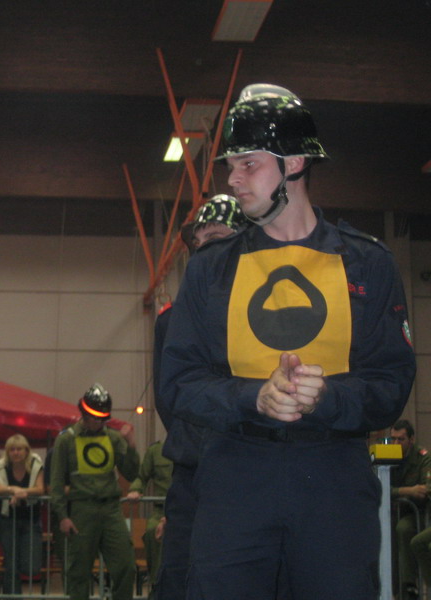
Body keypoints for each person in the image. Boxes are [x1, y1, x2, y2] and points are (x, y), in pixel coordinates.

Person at [158, 83, 416, 599]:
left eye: (248, 164)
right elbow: (179, 382)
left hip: (334, 482)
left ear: (294, 163)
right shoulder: (210, 270)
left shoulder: (367, 264)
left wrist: (329, 398)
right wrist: (253, 397)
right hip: (233, 480)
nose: (232, 179)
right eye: (231, 166)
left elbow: (391, 382)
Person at [153, 194, 246, 600]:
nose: (204, 247)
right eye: (199, 239)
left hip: (252, 467)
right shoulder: (171, 320)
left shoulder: (269, 314)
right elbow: (167, 396)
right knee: (179, 574)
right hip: (193, 470)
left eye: (217, 237)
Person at [50, 383, 140, 600]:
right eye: (95, 418)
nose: (99, 422)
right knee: (78, 573)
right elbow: (56, 482)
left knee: (126, 566)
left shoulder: (113, 438)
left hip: (111, 510)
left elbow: (131, 473)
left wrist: (131, 446)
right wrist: (62, 516)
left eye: (103, 419)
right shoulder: (67, 439)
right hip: (82, 510)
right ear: (84, 413)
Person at [0, 432, 45, 594]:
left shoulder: (35, 463)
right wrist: (13, 489)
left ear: (26, 451)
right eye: (12, 449)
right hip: (8, 520)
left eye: (19, 449)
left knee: (32, 567)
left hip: (31, 520)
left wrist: (23, 492)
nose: (16, 453)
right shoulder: (2, 465)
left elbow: (40, 489)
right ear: (8, 452)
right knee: (11, 565)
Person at [390, 420, 431, 599]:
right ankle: (394, 588)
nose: (396, 444)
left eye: (401, 439)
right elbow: (380, 487)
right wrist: (408, 491)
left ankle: (409, 586)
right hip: (393, 511)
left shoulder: (422, 457)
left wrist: (401, 493)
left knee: (405, 530)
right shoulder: (387, 457)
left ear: (411, 439)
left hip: (419, 512)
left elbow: (425, 490)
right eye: (393, 439)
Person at [126, 439, 173, 595]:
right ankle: (156, 586)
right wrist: (135, 489)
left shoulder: (196, 446)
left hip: (187, 510)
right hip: (161, 510)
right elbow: (141, 476)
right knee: (153, 532)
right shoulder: (156, 451)